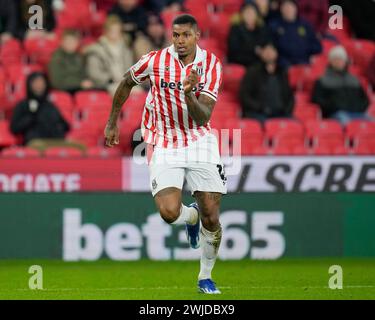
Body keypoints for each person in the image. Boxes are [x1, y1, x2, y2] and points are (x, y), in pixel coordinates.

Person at [104, 14, 226, 294]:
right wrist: (112, 121)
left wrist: (188, 95)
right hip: (163, 139)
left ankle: (205, 277)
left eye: (185, 35)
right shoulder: (155, 60)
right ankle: (189, 218)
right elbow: (126, 82)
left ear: (197, 36)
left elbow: (203, 116)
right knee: (170, 213)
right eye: (175, 35)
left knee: (211, 214)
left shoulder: (210, 65)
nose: (180, 41)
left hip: (199, 140)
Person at [312, 46, 370, 125]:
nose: (339, 62)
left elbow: (365, 100)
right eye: (336, 59)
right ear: (330, 61)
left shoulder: (354, 80)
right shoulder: (322, 81)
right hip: (336, 114)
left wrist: (359, 108)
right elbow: (317, 100)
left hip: (358, 113)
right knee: (347, 122)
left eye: (341, 59)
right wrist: (334, 107)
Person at [239, 42, 294, 121]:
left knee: (294, 126)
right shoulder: (252, 71)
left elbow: (290, 96)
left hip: (281, 113)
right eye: (266, 50)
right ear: (261, 53)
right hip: (258, 114)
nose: (269, 53)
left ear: (276, 53)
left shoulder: (282, 72)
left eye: (272, 50)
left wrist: (286, 109)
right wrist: (259, 108)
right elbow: (244, 96)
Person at [10, 72, 70, 145]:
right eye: (36, 82)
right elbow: (14, 128)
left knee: (79, 147)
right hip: (36, 142)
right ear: (29, 84)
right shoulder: (23, 105)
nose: (39, 85)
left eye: (42, 82)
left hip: (56, 141)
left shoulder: (50, 105)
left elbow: (65, 125)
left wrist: (57, 129)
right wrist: (31, 117)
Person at [84, 15, 134, 96]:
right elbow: (94, 73)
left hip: (125, 82)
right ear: (106, 31)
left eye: (117, 30)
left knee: (140, 93)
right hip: (107, 85)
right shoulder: (96, 50)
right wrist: (110, 79)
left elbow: (131, 68)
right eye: (112, 30)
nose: (115, 33)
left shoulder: (126, 49)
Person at [269, 0, 322, 68]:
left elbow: (317, 46)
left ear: (296, 8)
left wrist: (312, 54)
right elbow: (272, 48)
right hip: (283, 66)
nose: (288, 9)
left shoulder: (305, 25)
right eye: (285, 7)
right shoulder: (274, 26)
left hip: (304, 64)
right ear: (281, 9)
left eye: (290, 7)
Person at [48, 29, 94, 94]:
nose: (70, 44)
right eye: (68, 41)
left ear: (77, 42)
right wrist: (79, 83)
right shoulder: (56, 58)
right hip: (65, 92)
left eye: (73, 41)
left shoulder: (79, 56)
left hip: (81, 90)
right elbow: (57, 82)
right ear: (62, 42)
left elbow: (84, 75)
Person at [227, 3, 272, 67]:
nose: (249, 15)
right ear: (242, 14)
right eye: (247, 12)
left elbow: (266, 43)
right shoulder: (236, 29)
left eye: (252, 13)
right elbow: (234, 49)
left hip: (259, 62)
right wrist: (254, 50)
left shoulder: (261, 29)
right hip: (240, 61)